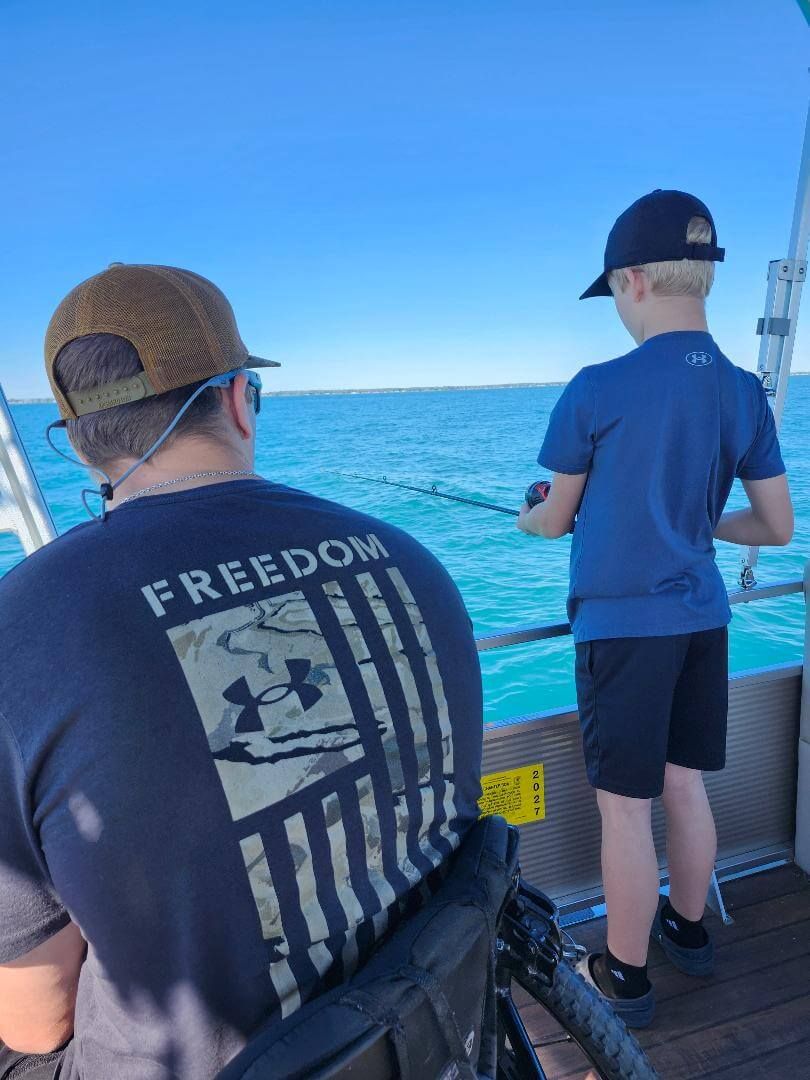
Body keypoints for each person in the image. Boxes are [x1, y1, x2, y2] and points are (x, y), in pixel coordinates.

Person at [0, 264, 484, 1079]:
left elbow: (37, 1019)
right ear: (236, 399)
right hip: (427, 1030)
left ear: (81, 441)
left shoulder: (24, 627)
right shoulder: (413, 564)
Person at [517, 190, 793, 1028]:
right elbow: (776, 528)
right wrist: (689, 516)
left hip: (624, 633)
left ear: (632, 280)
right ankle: (690, 930)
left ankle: (625, 978)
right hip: (704, 623)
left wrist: (532, 511)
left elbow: (553, 517)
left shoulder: (597, 388)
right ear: (701, 278)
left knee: (625, 809)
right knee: (685, 786)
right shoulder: (747, 391)